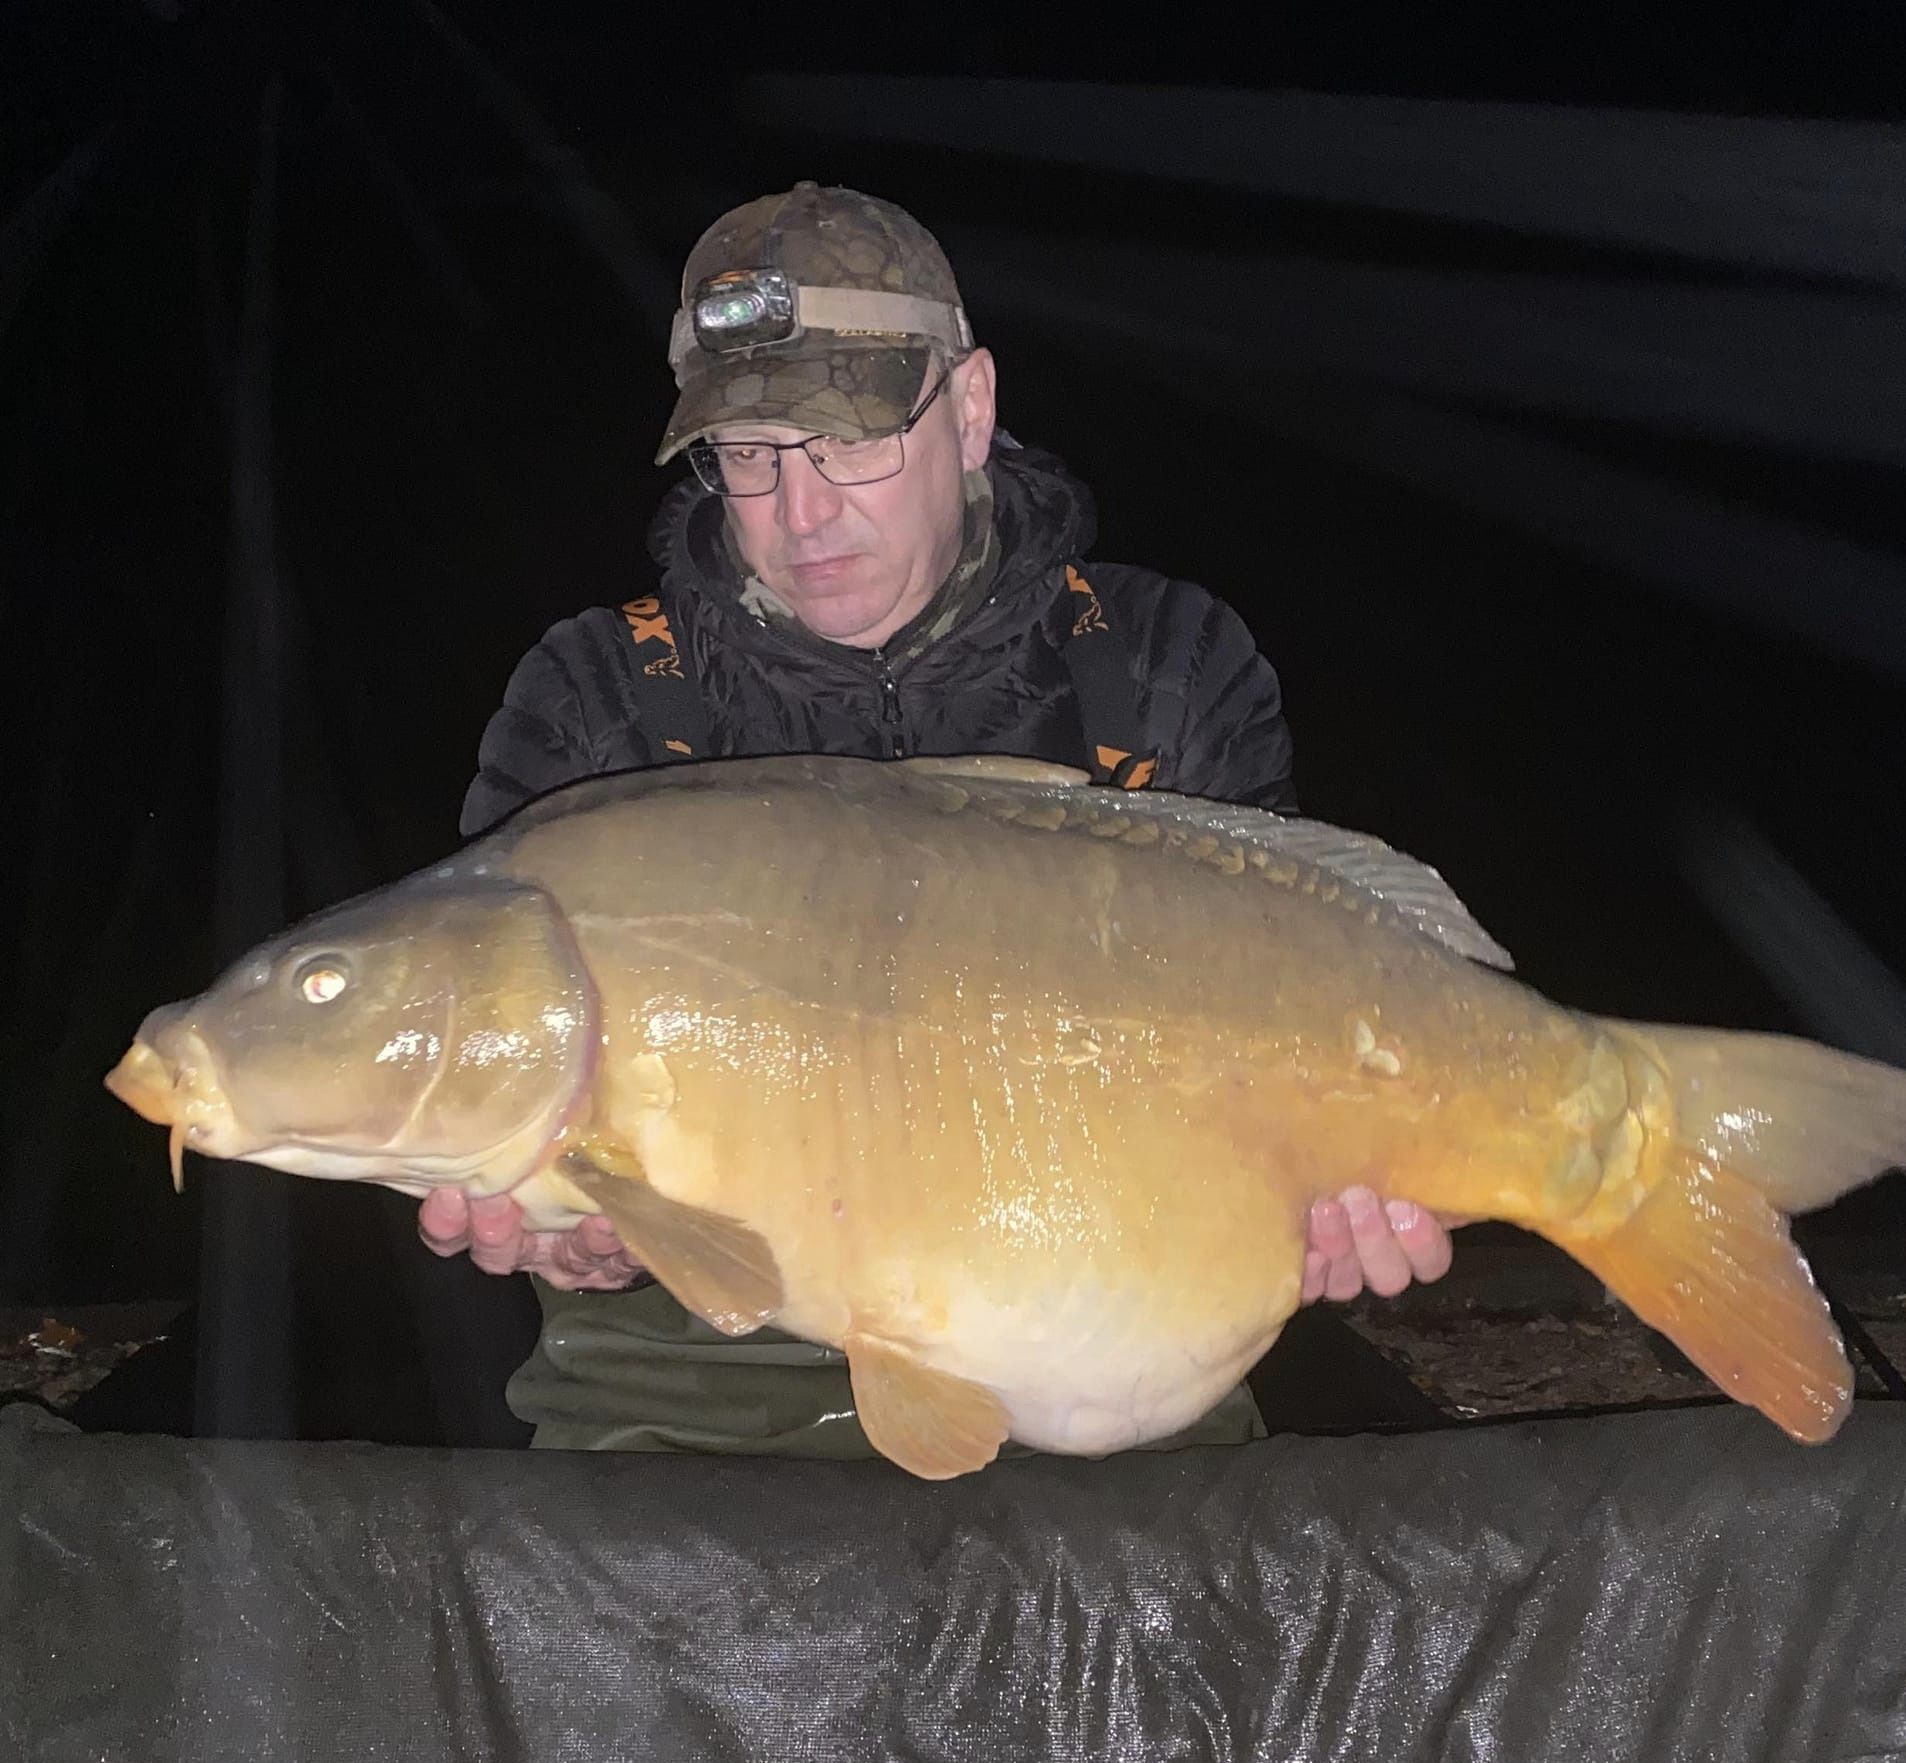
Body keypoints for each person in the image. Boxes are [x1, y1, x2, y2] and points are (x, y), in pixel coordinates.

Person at [419, 181, 1457, 1456]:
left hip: (1104, 1346)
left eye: (851, 440)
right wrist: (583, 1242)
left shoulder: (1154, 662)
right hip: (692, 1409)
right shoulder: (597, 697)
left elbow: (1306, 1010)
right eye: (749, 456)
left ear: (969, 409)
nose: (802, 512)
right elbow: (540, 1127)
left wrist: (1328, 1193)